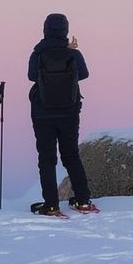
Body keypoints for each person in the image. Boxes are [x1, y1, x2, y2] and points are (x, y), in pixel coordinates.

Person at [27, 13, 95, 215]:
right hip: (69, 112)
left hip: (42, 113)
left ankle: (51, 205)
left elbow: (31, 76)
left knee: (47, 159)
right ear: (65, 30)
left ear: (45, 30)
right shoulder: (73, 54)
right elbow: (84, 74)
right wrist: (69, 51)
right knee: (71, 155)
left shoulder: (38, 53)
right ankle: (82, 201)